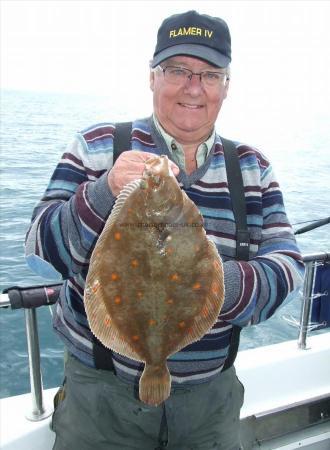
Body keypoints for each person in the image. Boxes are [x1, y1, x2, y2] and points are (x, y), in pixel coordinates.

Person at [25, 10, 304, 450]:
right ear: (152, 77)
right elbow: (40, 251)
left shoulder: (253, 167)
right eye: (178, 70)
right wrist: (105, 191)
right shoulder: (97, 146)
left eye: (210, 74)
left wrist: (211, 287)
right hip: (100, 402)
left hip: (210, 407)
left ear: (226, 86)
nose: (194, 87)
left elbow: (288, 267)